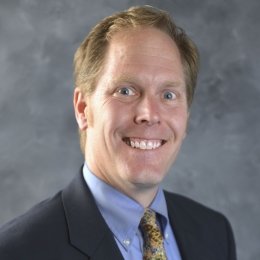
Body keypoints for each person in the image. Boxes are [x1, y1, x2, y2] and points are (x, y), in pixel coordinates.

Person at [0, 5, 236, 260]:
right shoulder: (19, 250)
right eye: (125, 91)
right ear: (83, 108)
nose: (149, 113)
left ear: (186, 117)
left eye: (169, 95)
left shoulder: (214, 232)